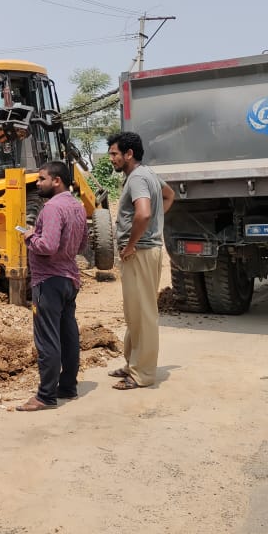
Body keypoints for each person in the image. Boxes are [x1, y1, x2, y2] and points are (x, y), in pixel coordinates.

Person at [15, 161, 89, 411]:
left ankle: (46, 396)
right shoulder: (77, 206)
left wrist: (30, 237)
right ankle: (67, 387)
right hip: (70, 278)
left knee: (47, 338)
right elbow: (81, 245)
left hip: (49, 281)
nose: (37, 183)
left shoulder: (52, 208)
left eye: (41, 179)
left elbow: (47, 246)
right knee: (68, 335)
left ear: (56, 181)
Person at [107, 131, 175, 390]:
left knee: (144, 313)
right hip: (144, 250)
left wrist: (131, 244)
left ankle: (142, 374)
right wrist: (155, 224)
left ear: (128, 154)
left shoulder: (137, 178)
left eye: (114, 154)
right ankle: (132, 363)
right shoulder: (149, 175)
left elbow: (143, 213)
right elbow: (169, 196)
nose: (111, 158)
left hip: (140, 252)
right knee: (133, 312)